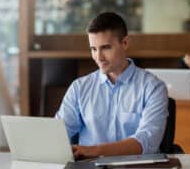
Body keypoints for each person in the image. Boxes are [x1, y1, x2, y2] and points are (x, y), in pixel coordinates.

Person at [55, 12, 168, 160]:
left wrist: (93, 150)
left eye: (106, 48)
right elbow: (57, 133)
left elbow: (146, 142)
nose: (98, 57)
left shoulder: (153, 87)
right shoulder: (79, 88)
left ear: (125, 43)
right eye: (93, 49)